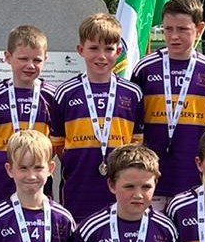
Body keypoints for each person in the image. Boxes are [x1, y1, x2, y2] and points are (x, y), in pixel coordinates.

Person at [50, 13, 144, 223]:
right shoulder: (65, 93)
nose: (101, 56)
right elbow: (58, 144)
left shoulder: (133, 94)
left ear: (118, 52)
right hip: (78, 187)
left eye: (109, 49)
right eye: (93, 48)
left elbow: (136, 143)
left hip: (120, 189)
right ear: (81, 50)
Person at [131, 0, 205, 210]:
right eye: (168, 29)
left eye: (182, 29)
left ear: (199, 29)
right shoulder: (145, 69)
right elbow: (133, 122)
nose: (174, 36)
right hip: (149, 174)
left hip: (191, 175)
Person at [0, 25, 55, 214]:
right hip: (0, 179)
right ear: (8, 57)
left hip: (37, 178)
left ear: (46, 59)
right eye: (23, 59)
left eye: (37, 60)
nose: (30, 65)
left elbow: (56, 142)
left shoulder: (52, 97)